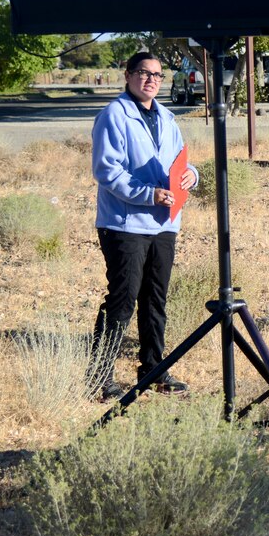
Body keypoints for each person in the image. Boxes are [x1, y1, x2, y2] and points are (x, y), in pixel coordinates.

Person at [90, 51, 199, 401]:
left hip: (164, 223)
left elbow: (182, 160)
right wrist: (147, 195)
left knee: (155, 300)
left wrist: (191, 176)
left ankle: (154, 370)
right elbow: (107, 171)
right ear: (127, 75)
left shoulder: (168, 117)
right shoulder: (114, 116)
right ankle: (100, 377)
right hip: (125, 224)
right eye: (142, 72)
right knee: (122, 301)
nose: (150, 79)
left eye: (157, 74)